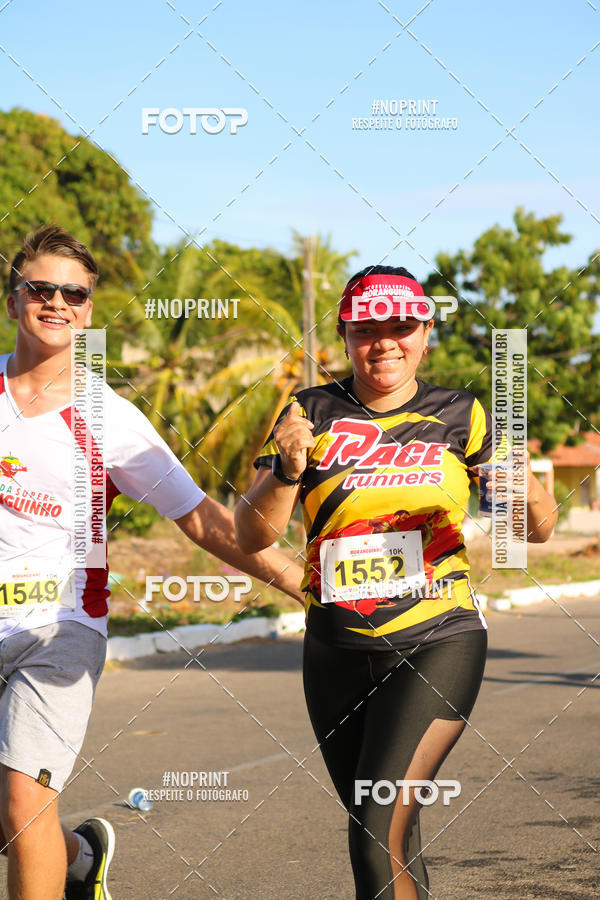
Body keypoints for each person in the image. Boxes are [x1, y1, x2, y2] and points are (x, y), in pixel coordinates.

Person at [0, 225, 305, 900]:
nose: (56, 302)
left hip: (62, 629)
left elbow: (200, 519)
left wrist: (303, 582)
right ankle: (81, 858)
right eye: (40, 288)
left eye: (73, 294)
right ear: (13, 296)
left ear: (88, 309)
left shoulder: (109, 419)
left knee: (24, 805)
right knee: (13, 818)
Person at [235, 265, 557, 899]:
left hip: (439, 639)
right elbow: (251, 537)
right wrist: (286, 470)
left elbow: (538, 529)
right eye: (367, 329)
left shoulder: (461, 413)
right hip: (334, 648)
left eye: (402, 327)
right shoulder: (309, 409)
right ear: (344, 334)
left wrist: (522, 483)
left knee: (377, 829)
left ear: (427, 334)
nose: (384, 342)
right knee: (385, 829)